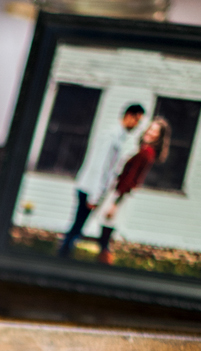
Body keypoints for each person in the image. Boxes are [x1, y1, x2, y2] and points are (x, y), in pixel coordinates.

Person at [56, 103, 145, 258]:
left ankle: (64, 251)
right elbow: (100, 166)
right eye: (137, 120)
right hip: (89, 188)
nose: (137, 125)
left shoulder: (119, 136)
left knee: (79, 225)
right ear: (129, 116)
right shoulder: (111, 135)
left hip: (94, 189)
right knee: (77, 225)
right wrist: (94, 196)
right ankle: (63, 254)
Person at [95, 117, 170, 265]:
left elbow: (131, 178)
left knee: (107, 224)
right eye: (150, 128)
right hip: (120, 190)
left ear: (159, 137)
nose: (150, 132)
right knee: (106, 225)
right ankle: (103, 256)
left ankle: (105, 259)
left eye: (155, 131)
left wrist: (116, 203)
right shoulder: (144, 149)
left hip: (120, 193)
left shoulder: (146, 152)